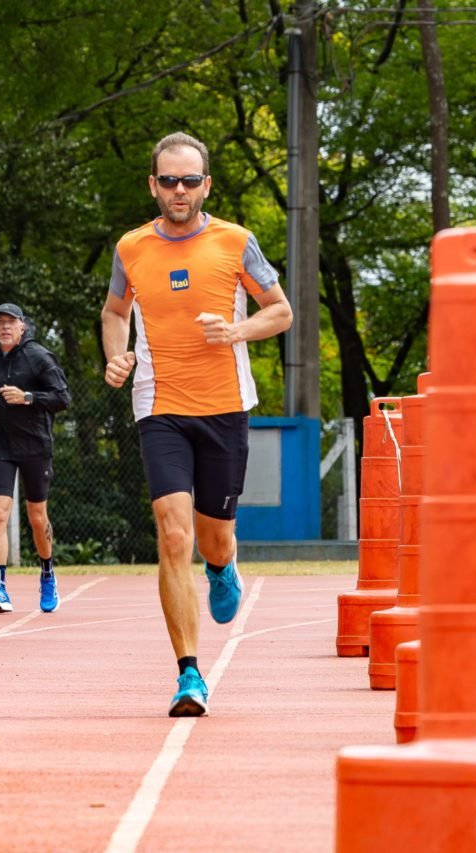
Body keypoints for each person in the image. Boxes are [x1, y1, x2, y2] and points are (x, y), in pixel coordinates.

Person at [101, 132, 293, 717]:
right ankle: (189, 674)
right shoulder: (131, 248)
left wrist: (237, 331)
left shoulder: (235, 241)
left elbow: (280, 311)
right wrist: (116, 353)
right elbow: (115, 312)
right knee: (172, 533)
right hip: (159, 404)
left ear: (205, 184)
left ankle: (222, 566)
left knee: (213, 536)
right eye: (168, 181)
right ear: (152, 185)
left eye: (189, 181)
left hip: (226, 406)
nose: (178, 190)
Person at [0, 302, 71, 614]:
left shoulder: (38, 356)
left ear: (22, 326)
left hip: (33, 445)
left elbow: (62, 397)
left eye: (11, 322)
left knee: (37, 518)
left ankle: (47, 573)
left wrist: (28, 398)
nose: (5, 327)